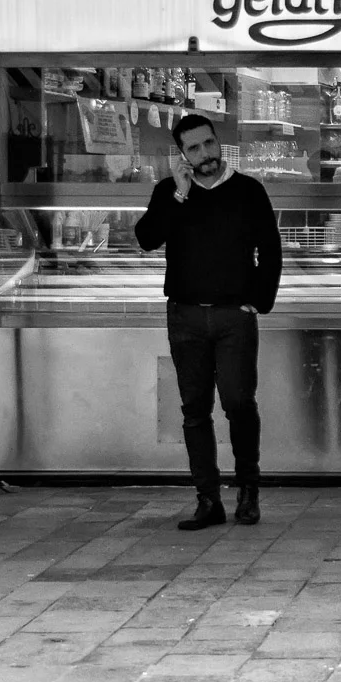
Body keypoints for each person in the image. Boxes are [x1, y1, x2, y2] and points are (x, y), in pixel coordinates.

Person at [136, 114, 282, 531]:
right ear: (181, 155)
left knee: (238, 402)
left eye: (210, 144)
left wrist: (258, 301)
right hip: (184, 315)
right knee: (194, 410)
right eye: (195, 149)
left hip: (233, 316)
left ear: (220, 143)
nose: (206, 155)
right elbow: (147, 238)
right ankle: (208, 499)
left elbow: (270, 251)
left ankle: (248, 492)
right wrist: (179, 196)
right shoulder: (169, 192)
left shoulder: (248, 191)